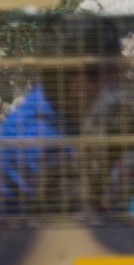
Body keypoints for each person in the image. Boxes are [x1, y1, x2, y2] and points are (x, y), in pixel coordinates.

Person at [0, 14, 123, 215]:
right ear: (78, 83)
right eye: (114, 72)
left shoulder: (55, 103)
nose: (119, 82)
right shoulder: (42, 142)